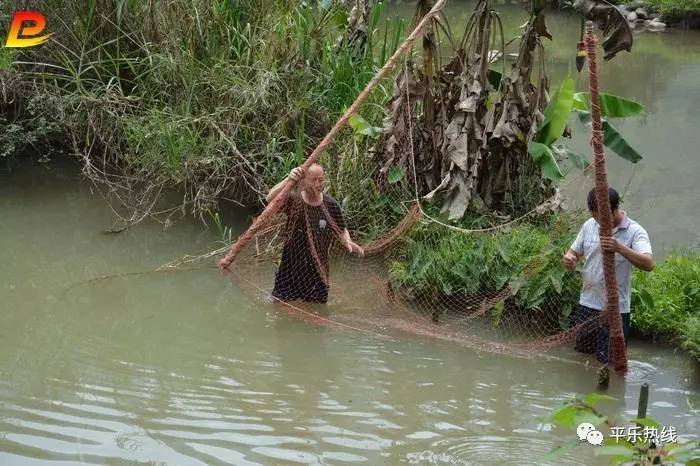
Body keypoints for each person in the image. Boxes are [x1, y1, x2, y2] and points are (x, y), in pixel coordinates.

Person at [222, 163, 363, 304]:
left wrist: (348, 242)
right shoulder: (293, 199)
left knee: (316, 312)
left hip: (317, 271)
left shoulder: (331, 205)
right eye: (313, 179)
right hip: (290, 269)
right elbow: (270, 198)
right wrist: (288, 179)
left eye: (321, 179)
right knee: (279, 306)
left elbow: (341, 229)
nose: (318, 184)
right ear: (303, 181)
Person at [562, 187, 654, 363]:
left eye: (604, 216)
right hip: (587, 304)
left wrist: (620, 247)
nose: (600, 221)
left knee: (610, 363)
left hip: (616, 309)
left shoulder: (635, 231)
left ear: (616, 207)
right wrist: (569, 258)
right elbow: (573, 252)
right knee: (581, 360)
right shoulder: (590, 225)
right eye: (596, 216)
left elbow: (648, 264)